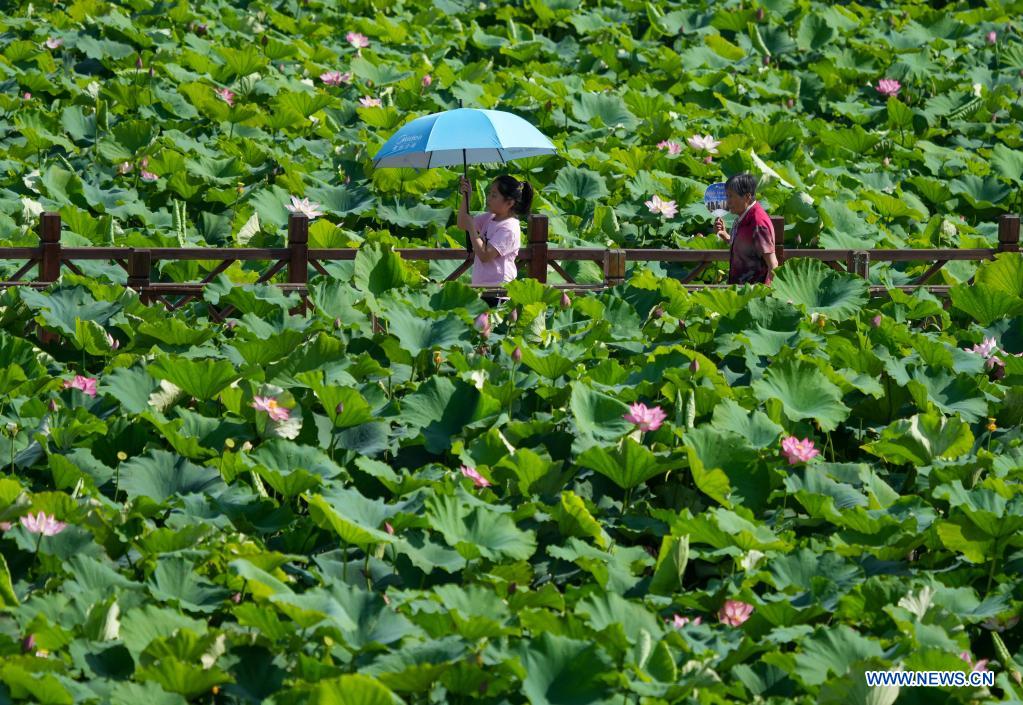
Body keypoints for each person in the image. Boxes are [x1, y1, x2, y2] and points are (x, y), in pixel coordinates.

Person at [456, 174, 533, 304]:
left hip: (498, 292)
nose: (489, 198)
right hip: (482, 289)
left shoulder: (509, 227)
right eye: (490, 193)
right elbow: (462, 223)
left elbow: (485, 255)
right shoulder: (490, 218)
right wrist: (466, 197)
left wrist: (472, 229)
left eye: (494, 195)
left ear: (509, 202)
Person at [714, 173, 778, 285]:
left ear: (747, 197)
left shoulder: (758, 223)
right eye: (727, 196)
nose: (728, 202)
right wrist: (725, 236)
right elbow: (749, 247)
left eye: (731, 196)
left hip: (753, 293)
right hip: (740, 290)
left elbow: (773, 264)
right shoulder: (744, 216)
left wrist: (771, 296)